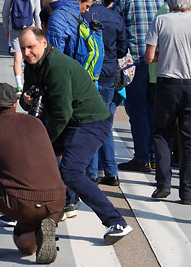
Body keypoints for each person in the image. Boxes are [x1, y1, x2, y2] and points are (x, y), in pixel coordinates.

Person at [18, 27, 133, 245]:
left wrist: (44, 141)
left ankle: (116, 221)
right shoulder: (33, 65)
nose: (26, 53)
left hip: (91, 122)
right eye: (23, 48)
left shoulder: (57, 66)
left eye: (30, 47)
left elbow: (63, 113)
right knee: (36, 160)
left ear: (43, 43)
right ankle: (27, 211)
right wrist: (26, 100)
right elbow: (30, 99)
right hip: (72, 123)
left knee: (69, 170)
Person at [0, 82, 65, 263]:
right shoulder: (36, 123)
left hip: (21, 203)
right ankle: (41, 231)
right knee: (24, 246)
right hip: (56, 204)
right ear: (14, 105)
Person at [144, 0, 191, 204]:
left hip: (167, 83)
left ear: (171, 1)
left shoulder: (161, 20)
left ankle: (163, 183)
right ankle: (187, 192)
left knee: (162, 133)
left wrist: (165, 57)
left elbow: (149, 57)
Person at [113, 0, 165, 172]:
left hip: (134, 64)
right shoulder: (159, 1)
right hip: (157, 63)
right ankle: (154, 155)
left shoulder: (124, 2)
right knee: (153, 110)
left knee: (137, 111)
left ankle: (142, 157)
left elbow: (112, 25)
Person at [81, 0, 127, 186]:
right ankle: (111, 171)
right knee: (105, 123)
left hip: (88, 76)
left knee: (88, 123)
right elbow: (122, 49)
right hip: (109, 74)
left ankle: (91, 172)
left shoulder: (81, 15)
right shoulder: (114, 16)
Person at [3, 0, 42, 91]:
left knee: (18, 57)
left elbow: (5, 14)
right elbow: (37, 15)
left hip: (15, 28)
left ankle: (19, 86)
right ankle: (32, 84)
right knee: (31, 56)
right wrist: (39, 32)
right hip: (30, 30)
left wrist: (6, 28)